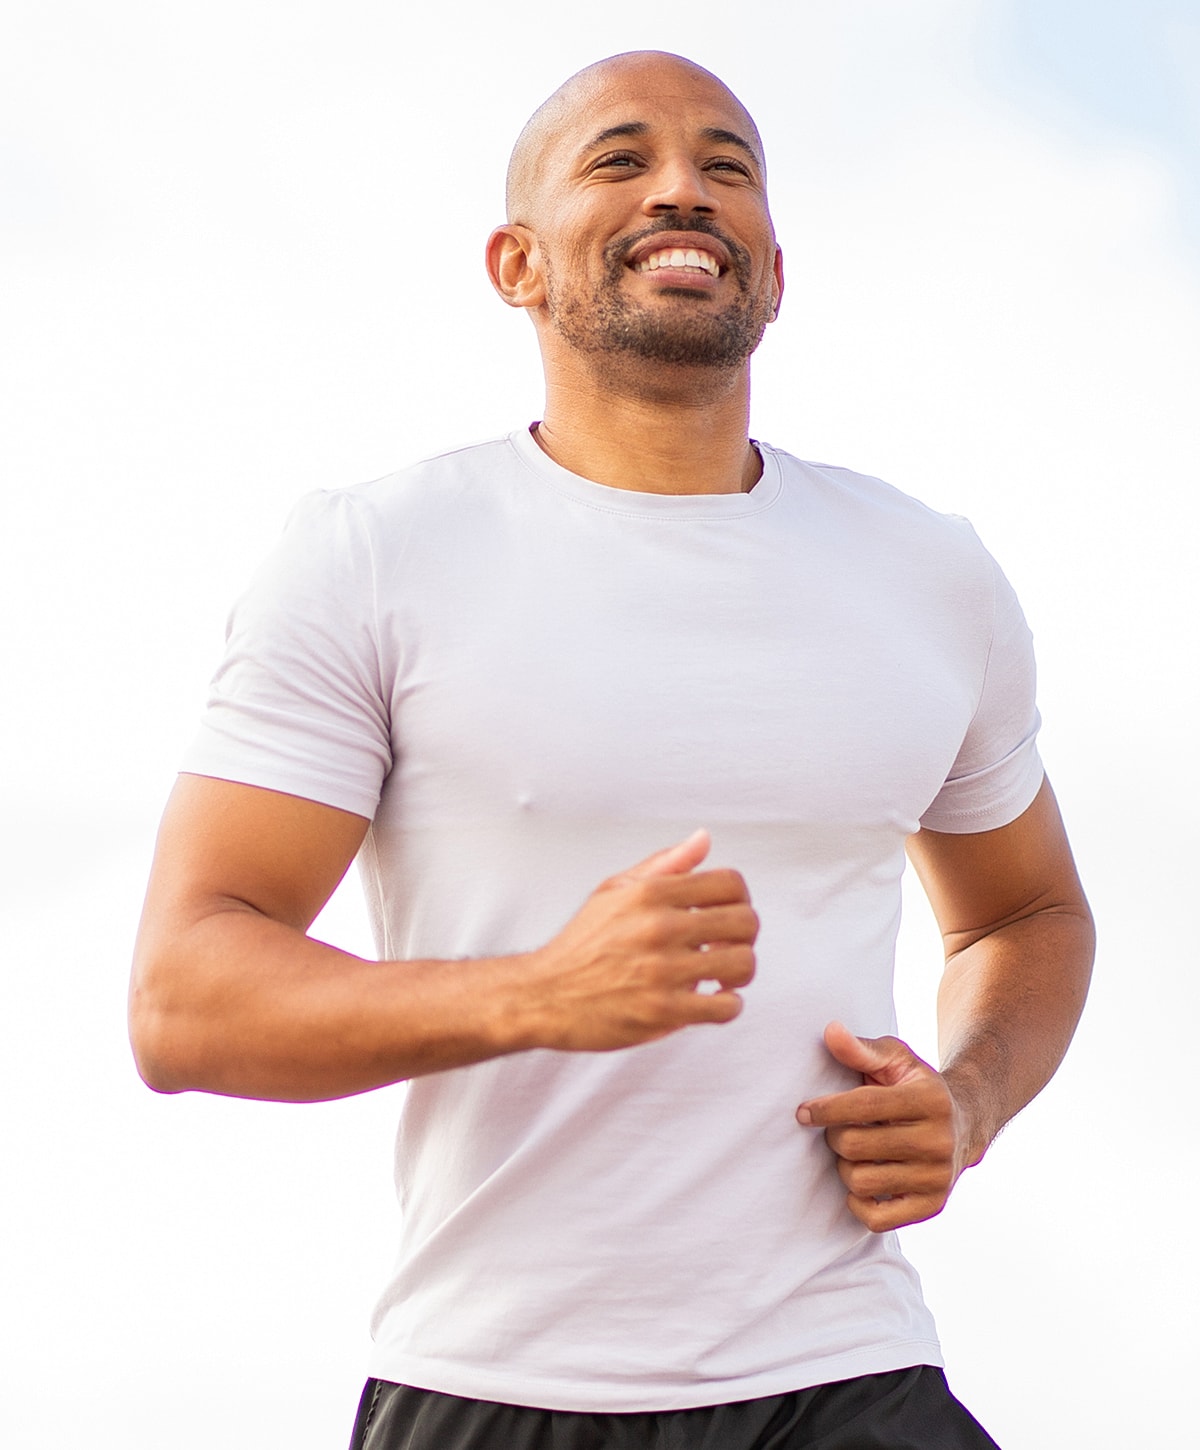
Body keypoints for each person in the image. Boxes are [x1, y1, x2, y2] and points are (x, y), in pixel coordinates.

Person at [130, 50, 1094, 1450]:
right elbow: (184, 998)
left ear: (773, 263)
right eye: (619, 158)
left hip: (849, 1364)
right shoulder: (373, 554)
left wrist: (971, 1094)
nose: (683, 189)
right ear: (516, 263)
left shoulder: (928, 572)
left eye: (729, 165)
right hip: (498, 1384)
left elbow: (1027, 909)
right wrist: (535, 992)